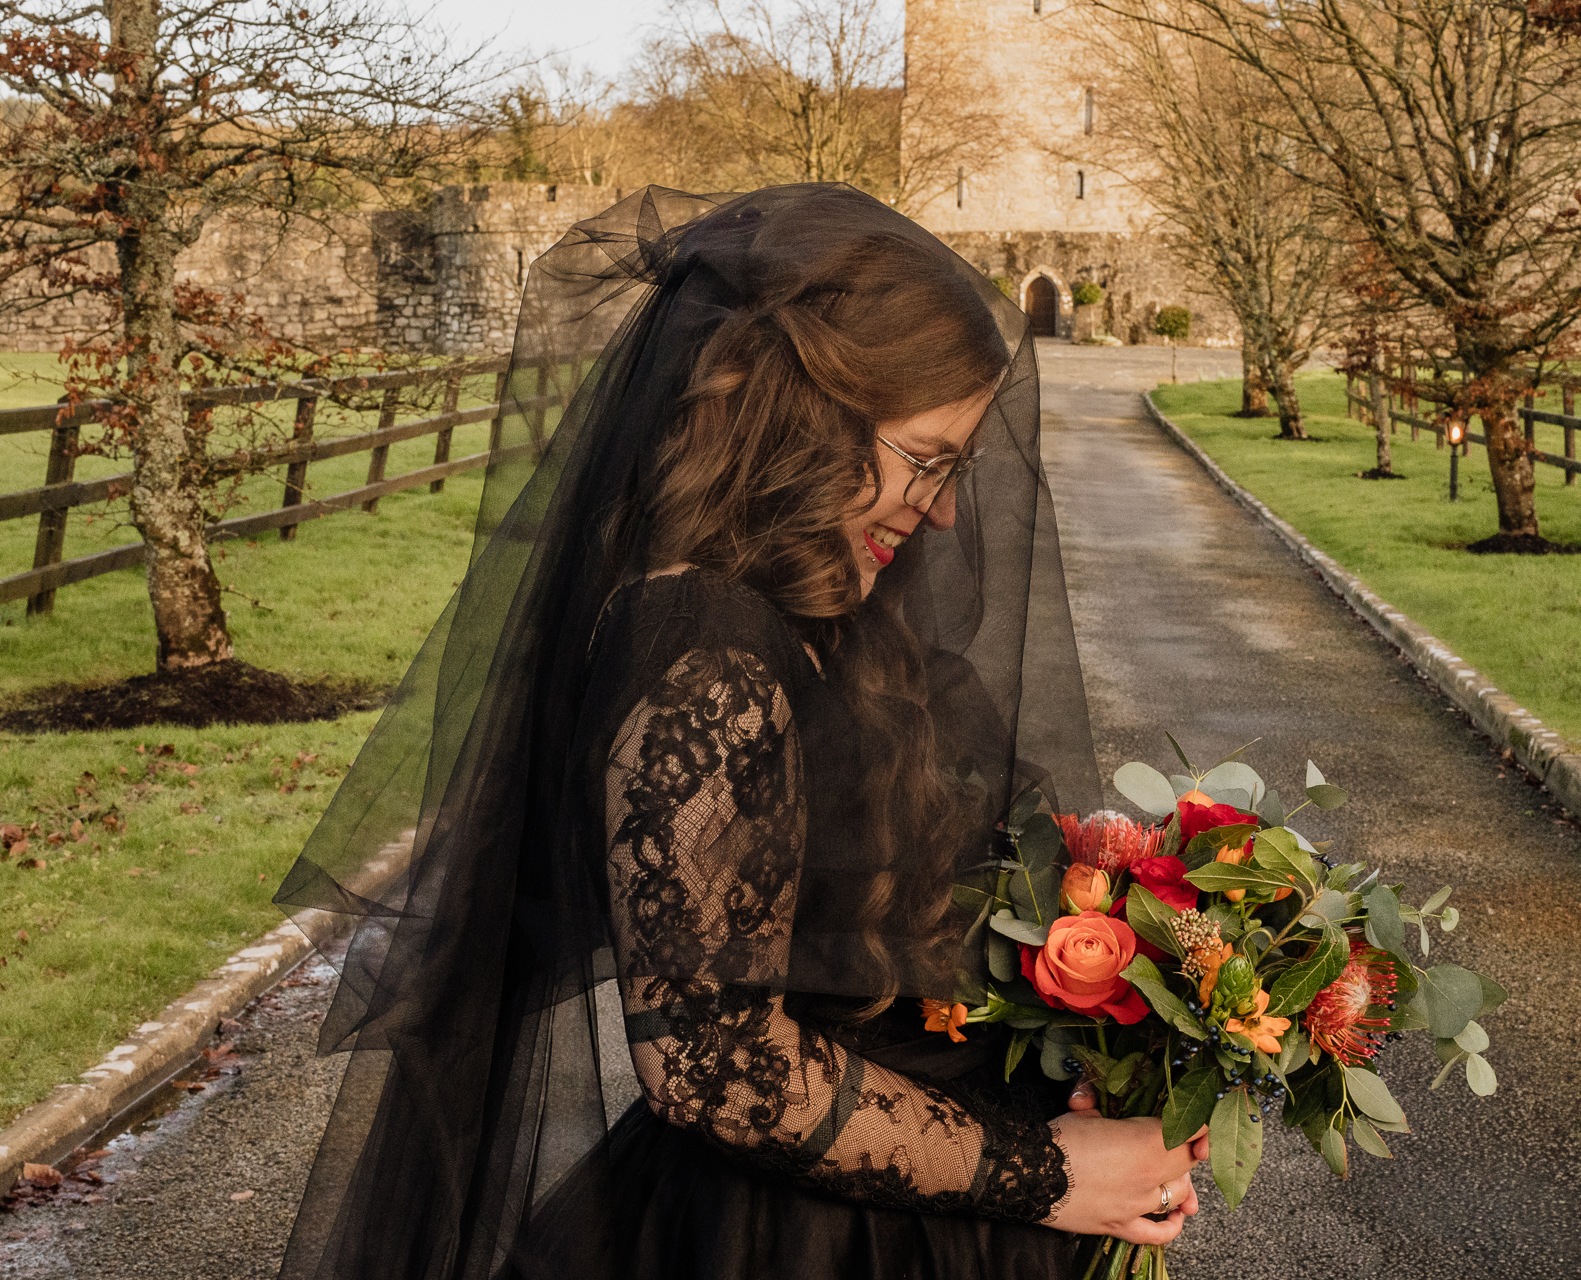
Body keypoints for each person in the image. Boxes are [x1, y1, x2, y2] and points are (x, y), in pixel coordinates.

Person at [275, 184, 1208, 1280]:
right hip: (806, 1240)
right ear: (809, 410)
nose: (946, 510)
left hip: (929, 1208)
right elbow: (711, 1058)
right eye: (928, 458)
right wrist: (1048, 1171)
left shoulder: (827, 610)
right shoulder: (702, 657)